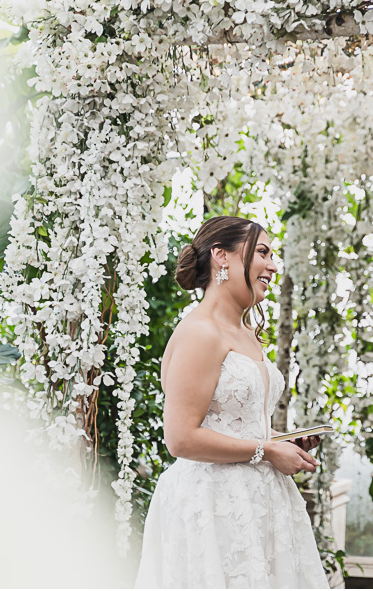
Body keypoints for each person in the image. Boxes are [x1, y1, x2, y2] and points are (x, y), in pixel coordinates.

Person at [134, 215, 329, 589]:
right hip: (213, 503)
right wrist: (268, 452)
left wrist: (282, 442)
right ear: (221, 256)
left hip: (260, 500)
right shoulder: (199, 332)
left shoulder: (245, 332)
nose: (273, 265)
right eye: (262, 252)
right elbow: (181, 439)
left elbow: (238, 422)